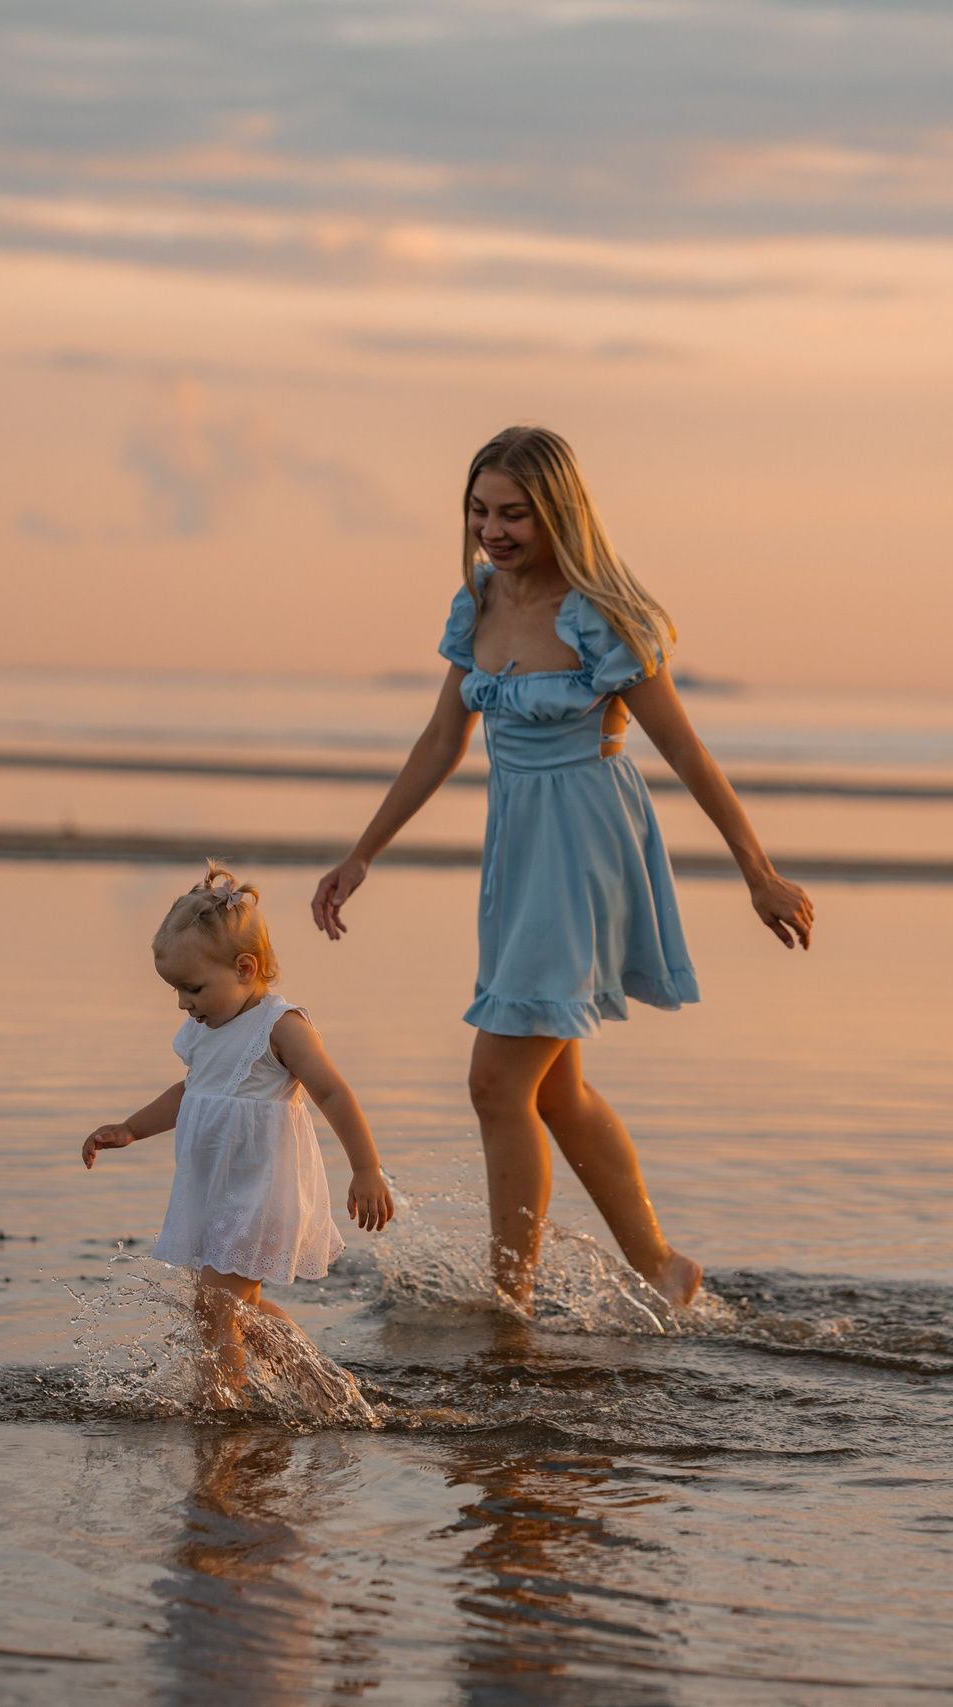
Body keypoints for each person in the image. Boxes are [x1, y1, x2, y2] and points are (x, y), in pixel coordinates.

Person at [311, 425, 812, 1312]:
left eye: (514, 513)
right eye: (479, 511)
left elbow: (687, 750)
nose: (493, 530)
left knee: (496, 1079)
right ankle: (663, 1267)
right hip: (518, 856)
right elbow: (439, 740)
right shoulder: (478, 599)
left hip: (585, 853)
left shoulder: (598, 614)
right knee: (557, 1092)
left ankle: (511, 1298)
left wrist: (759, 873)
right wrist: (361, 854)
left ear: (558, 514)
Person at [83, 865, 397, 1406]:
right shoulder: (205, 1029)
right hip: (218, 1193)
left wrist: (366, 1169)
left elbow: (334, 1094)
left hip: (261, 1196)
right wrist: (131, 1128)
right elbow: (190, 1094)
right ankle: (322, 1387)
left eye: (193, 987)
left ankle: (224, 1406)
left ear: (245, 969)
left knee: (215, 1307)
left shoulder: (281, 1027)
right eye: (176, 989)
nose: (183, 1002)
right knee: (235, 1312)